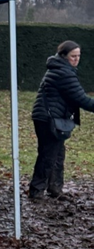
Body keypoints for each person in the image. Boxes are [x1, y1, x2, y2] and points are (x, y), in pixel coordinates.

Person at [29, 40, 94, 200]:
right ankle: (37, 190)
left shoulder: (58, 69)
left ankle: (54, 188)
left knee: (57, 154)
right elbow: (81, 98)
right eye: (73, 56)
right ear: (64, 56)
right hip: (49, 118)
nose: (76, 59)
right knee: (48, 155)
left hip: (47, 117)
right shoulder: (63, 73)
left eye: (78, 56)